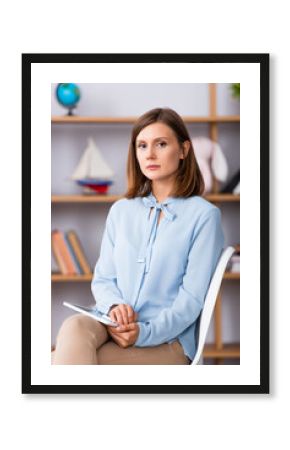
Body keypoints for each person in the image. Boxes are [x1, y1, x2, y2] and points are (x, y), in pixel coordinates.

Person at [52, 107, 225, 365]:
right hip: (111, 324)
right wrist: (114, 307)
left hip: (168, 341)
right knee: (74, 327)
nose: (150, 154)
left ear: (184, 150)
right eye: (142, 146)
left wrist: (143, 333)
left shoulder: (204, 216)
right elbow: (103, 279)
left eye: (161, 144)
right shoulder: (121, 210)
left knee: (55, 360)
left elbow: (191, 301)